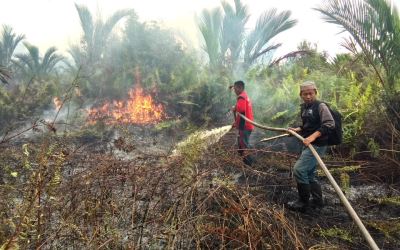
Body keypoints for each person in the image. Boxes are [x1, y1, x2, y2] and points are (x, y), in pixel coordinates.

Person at [287, 81, 335, 212]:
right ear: (301, 95)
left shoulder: (321, 106)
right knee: (309, 173)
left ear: (315, 93)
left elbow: (329, 124)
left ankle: (303, 202)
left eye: (311, 93)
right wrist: (298, 129)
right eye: (305, 94)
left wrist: (313, 137)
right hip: (309, 143)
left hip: (318, 144)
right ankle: (318, 202)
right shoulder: (305, 107)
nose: (308, 96)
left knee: (299, 170)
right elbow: (308, 125)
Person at [230, 80, 254, 166]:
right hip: (246, 125)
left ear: (240, 88)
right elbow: (242, 114)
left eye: (235, 88)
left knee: (244, 146)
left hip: (245, 126)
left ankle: (249, 166)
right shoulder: (244, 95)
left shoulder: (241, 97)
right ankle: (245, 164)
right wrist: (236, 123)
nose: (234, 91)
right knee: (242, 145)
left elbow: (241, 110)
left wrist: (235, 108)